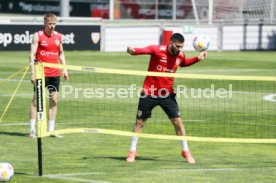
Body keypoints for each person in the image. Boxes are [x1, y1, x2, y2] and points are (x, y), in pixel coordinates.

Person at [126, 33, 207, 164]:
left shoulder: (180, 55)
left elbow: (184, 63)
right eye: (178, 46)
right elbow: (140, 51)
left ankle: (185, 151)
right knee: (139, 123)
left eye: (182, 47)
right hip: (149, 92)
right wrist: (132, 50)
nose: (180, 49)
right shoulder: (157, 50)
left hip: (167, 95)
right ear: (171, 42)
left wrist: (198, 58)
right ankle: (132, 151)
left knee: (178, 122)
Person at [29, 12, 69, 138]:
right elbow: (32, 55)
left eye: (54, 24)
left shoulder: (58, 36)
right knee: (36, 101)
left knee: (54, 101)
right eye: (50, 24)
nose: (52, 26)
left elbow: (61, 53)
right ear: (45, 23)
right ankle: (32, 130)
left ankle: (51, 130)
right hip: (41, 74)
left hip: (55, 74)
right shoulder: (38, 35)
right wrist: (33, 73)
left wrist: (65, 69)